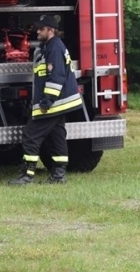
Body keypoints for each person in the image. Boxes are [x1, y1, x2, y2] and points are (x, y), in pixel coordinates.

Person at [9, 14, 84, 185]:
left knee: (30, 135)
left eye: (41, 29)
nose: (37, 32)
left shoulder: (54, 48)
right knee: (57, 136)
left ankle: (27, 175)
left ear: (51, 30)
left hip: (54, 103)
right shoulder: (51, 46)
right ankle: (58, 175)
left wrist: (47, 101)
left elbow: (56, 77)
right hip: (60, 102)